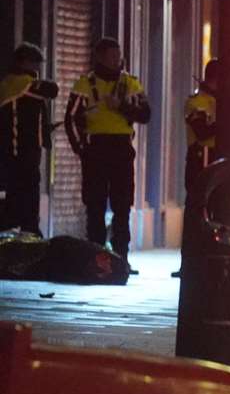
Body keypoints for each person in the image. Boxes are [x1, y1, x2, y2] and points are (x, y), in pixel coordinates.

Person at [65, 38, 150, 266]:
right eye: (112, 55)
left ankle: (121, 259)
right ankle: (95, 258)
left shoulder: (129, 83)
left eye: (118, 55)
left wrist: (121, 107)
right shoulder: (85, 84)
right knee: (95, 206)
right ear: (100, 57)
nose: (117, 59)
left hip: (121, 149)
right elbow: (71, 119)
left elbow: (145, 114)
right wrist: (81, 149)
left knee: (122, 207)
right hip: (95, 150)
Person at [0, 43, 57, 234]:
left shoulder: (18, 84)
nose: (37, 70)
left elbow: (28, 118)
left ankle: (27, 235)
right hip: (19, 155)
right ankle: (28, 239)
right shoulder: (17, 82)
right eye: (34, 64)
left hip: (27, 154)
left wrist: (45, 130)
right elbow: (51, 90)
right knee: (23, 202)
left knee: (22, 201)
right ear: (24, 62)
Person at [183, 60, 220, 195]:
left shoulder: (221, 101)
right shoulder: (196, 102)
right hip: (200, 158)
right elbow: (202, 133)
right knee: (197, 202)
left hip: (217, 155)